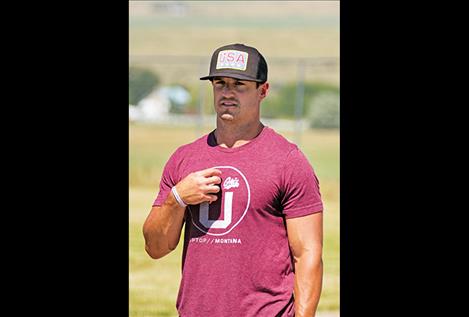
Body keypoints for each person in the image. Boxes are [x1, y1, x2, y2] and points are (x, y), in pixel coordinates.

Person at [143, 43, 323, 317]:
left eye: (239, 84)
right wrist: (176, 199)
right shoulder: (184, 158)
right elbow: (155, 248)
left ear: (263, 91)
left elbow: (308, 254)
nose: (227, 92)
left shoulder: (288, 161)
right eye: (220, 83)